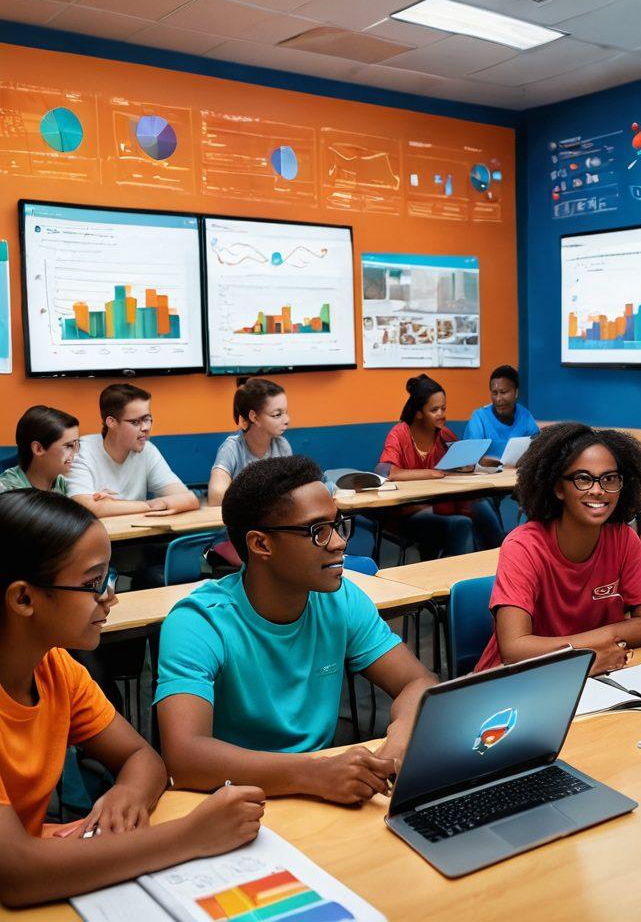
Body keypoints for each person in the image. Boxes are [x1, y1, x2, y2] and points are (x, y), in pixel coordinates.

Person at [0, 489, 264, 908]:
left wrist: (128, 794)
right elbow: (15, 873)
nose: (111, 597)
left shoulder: (57, 670)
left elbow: (143, 758)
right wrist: (189, 837)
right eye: (92, 584)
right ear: (24, 598)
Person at [155, 455, 436, 802]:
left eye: (338, 524)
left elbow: (418, 682)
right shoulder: (199, 622)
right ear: (261, 544)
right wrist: (311, 773)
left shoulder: (341, 599)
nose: (339, 542)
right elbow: (184, 758)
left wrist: (397, 742)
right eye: (317, 531)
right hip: (229, 800)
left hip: (321, 789)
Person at [475, 422, 641, 675]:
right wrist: (587, 654)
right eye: (583, 479)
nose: (598, 490)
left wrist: (593, 647)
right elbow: (515, 648)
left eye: (609, 479)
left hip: (597, 675)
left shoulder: (623, 539)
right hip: (517, 682)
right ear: (558, 488)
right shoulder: (523, 546)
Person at [376, 374, 504, 558]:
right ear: (419, 412)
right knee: (462, 523)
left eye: (443, 408)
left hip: (442, 504)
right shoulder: (400, 433)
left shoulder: (443, 434)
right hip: (408, 512)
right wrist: (431, 473)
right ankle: (454, 579)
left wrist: (467, 466)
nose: (441, 414)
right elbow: (388, 471)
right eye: (434, 409)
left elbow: (459, 459)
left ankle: (497, 566)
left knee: (483, 505)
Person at [66, 384, 199, 519]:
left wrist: (112, 505)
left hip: (139, 535)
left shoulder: (148, 450)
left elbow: (189, 499)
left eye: (147, 419)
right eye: (135, 422)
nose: (146, 427)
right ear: (111, 422)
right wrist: (153, 505)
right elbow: (87, 508)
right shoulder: (79, 451)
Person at [208, 378, 291, 507]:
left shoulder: (282, 445)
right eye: (277, 414)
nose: (287, 420)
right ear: (254, 417)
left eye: (286, 412)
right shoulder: (231, 448)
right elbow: (216, 496)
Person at [463, 365, 539, 462]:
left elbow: (536, 450)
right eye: (494, 393)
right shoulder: (479, 418)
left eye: (503, 392)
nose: (498, 399)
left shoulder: (525, 416)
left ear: (516, 392)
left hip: (515, 475)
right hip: (485, 476)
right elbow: (470, 457)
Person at [0, 405, 79, 494]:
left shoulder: (67, 484)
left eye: (77, 444)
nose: (76, 453)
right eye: (69, 446)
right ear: (38, 449)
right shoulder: (6, 493)